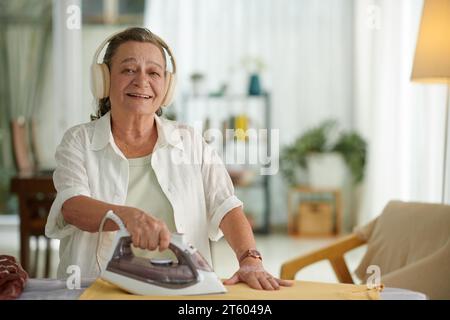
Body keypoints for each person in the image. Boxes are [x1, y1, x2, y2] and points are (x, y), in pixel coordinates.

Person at [45, 27, 292, 291]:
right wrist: (129, 217)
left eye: (153, 72)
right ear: (104, 79)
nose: (142, 81)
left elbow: (226, 206)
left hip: (185, 291)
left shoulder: (190, 141)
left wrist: (249, 259)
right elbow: (72, 207)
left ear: (167, 86)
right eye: (128, 70)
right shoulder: (79, 141)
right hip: (96, 290)